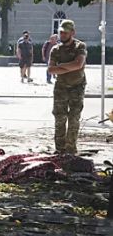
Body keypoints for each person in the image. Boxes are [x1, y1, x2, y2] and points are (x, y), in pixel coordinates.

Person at [47, 20, 86, 154]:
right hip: (61, 87)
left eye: (65, 33)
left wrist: (61, 68)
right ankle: (60, 149)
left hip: (77, 86)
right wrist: (68, 67)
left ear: (72, 33)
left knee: (74, 118)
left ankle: (70, 149)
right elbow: (51, 70)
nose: (62, 35)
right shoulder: (56, 49)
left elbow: (78, 64)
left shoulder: (80, 46)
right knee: (60, 118)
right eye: (61, 32)